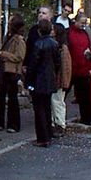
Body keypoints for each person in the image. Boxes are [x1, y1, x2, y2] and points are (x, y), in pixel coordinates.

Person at [26, 19, 61, 147]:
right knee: (47, 108)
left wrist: (28, 81)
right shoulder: (54, 44)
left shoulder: (38, 44)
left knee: (39, 109)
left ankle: (42, 137)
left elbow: (33, 65)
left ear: (39, 30)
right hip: (49, 79)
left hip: (38, 80)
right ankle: (48, 133)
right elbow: (58, 63)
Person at [0, 14, 26, 133]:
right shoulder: (8, 37)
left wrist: (3, 54)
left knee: (12, 98)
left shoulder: (19, 40)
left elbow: (19, 56)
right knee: (1, 96)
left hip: (12, 71)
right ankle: (0, 122)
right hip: (4, 70)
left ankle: (13, 123)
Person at [68, 13, 91, 125]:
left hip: (83, 68)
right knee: (64, 93)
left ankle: (87, 118)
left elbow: (88, 48)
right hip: (71, 68)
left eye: (85, 23)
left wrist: (89, 66)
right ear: (76, 21)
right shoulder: (69, 33)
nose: (83, 25)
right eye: (82, 23)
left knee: (84, 95)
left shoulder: (84, 33)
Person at [52, 23, 72, 136]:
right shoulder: (59, 46)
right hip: (57, 79)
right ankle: (56, 122)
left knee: (58, 102)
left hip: (59, 80)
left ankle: (60, 124)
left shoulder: (63, 48)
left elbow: (66, 67)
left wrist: (64, 82)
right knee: (55, 101)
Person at [23, 6, 52, 70]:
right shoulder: (33, 29)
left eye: (44, 13)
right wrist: (25, 64)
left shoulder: (54, 29)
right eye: (39, 13)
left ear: (49, 16)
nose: (40, 15)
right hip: (33, 65)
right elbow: (29, 47)